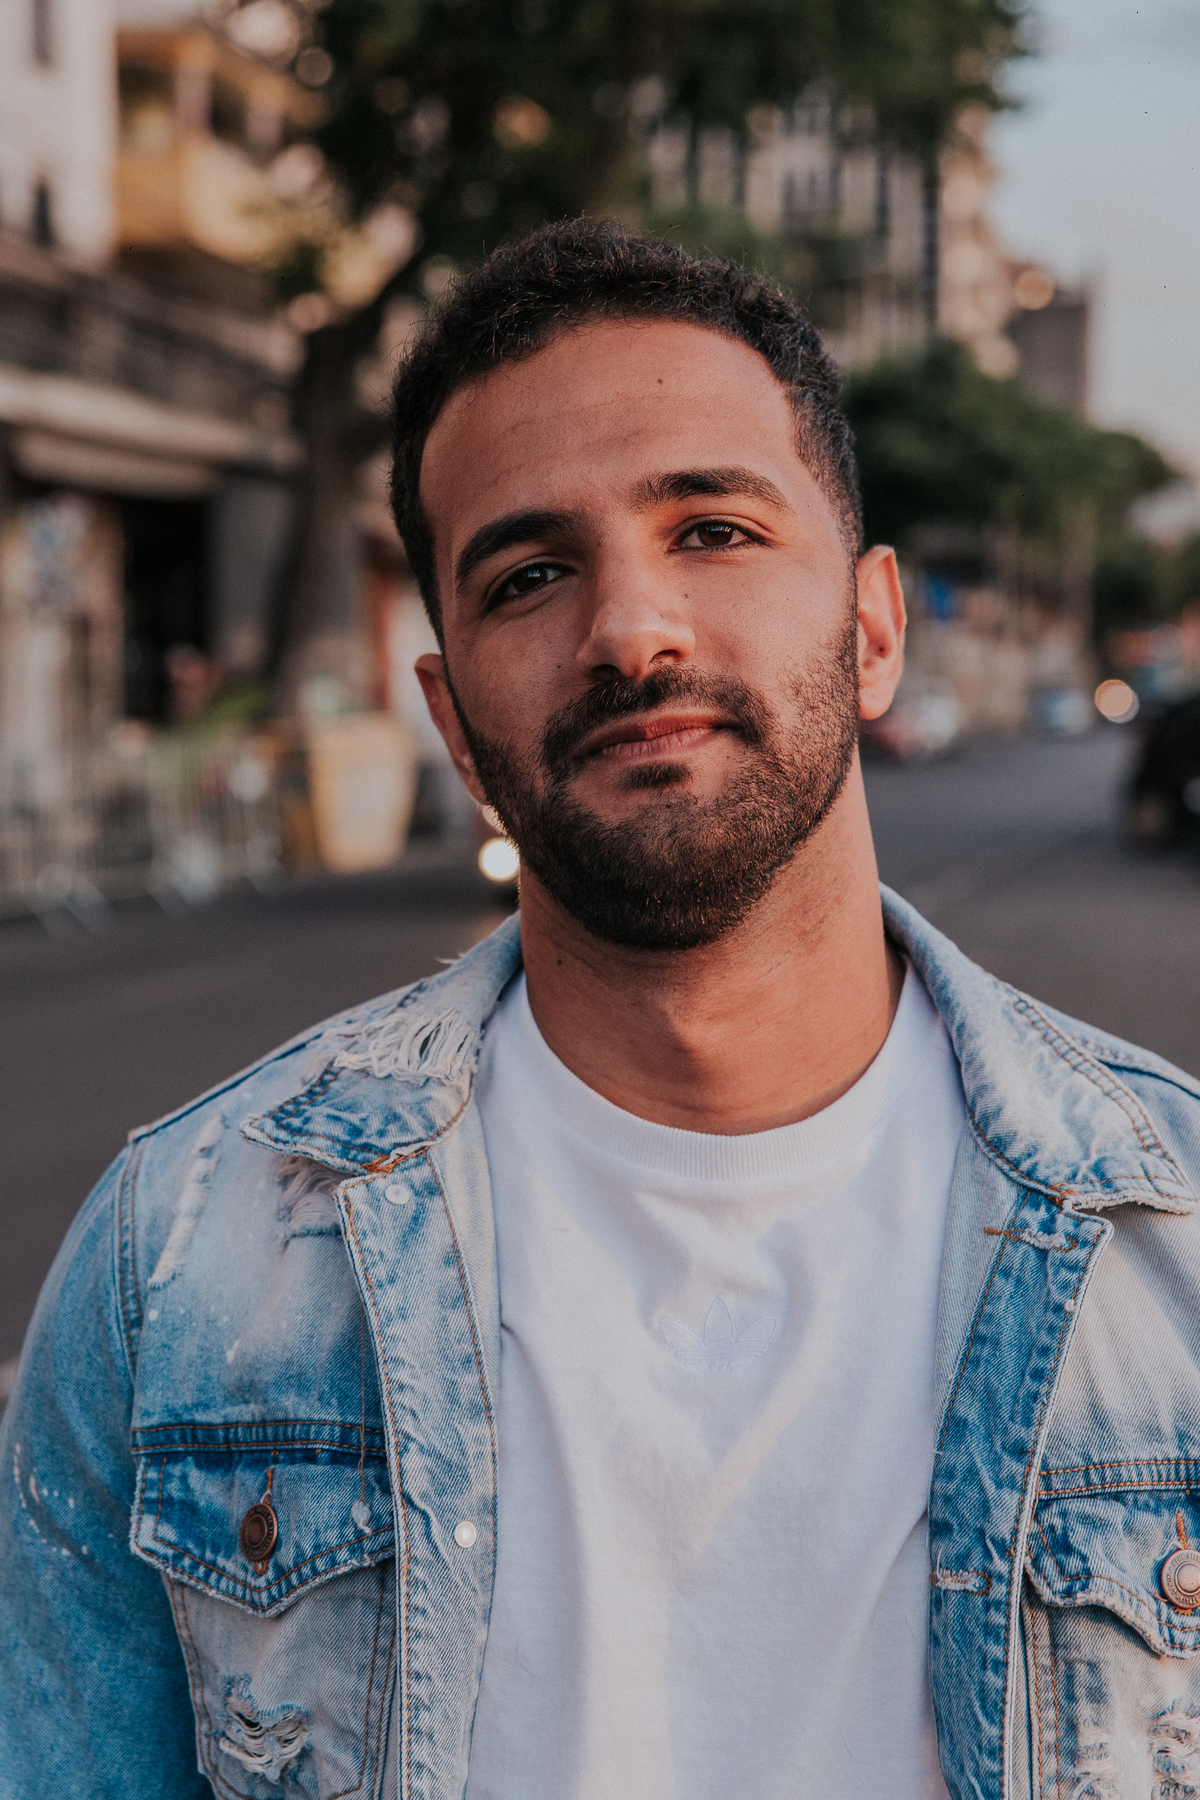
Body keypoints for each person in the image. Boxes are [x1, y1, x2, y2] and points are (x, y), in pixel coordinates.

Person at [4, 221, 1200, 1800]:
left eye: (712, 529)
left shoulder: (1171, 1242)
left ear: (876, 627)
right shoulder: (178, 1265)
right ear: (449, 714)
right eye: (531, 574)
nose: (632, 632)